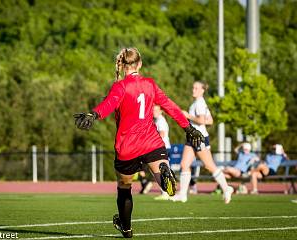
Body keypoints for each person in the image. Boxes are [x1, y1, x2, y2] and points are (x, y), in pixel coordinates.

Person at [74, 47, 204, 238]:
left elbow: (109, 103)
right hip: (152, 141)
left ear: (121, 64)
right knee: (161, 175)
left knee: (124, 187)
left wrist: (94, 114)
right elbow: (169, 106)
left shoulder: (120, 86)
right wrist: (188, 128)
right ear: (140, 64)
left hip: (128, 146)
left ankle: (126, 229)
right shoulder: (150, 84)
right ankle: (164, 178)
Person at [172, 81, 234, 204]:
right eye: (193, 87)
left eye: (196, 88)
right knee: (184, 164)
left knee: (209, 166)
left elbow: (201, 120)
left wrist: (188, 116)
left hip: (199, 138)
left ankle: (227, 189)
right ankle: (183, 195)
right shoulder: (199, 103)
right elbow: (210, 121)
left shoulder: (199, 103)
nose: (193, 90)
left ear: (202, 90)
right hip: (192, 137)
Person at [153, 105, 172, 200]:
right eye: (153, 110)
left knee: (162, 170)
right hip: (162, 147)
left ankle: (166, 193)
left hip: (163, 148)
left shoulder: (160, 120)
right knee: (160, 170)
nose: (154, 111)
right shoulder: (158, 120)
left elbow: (162, 134)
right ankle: (166, 192)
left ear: (161, 111)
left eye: (156, 110)